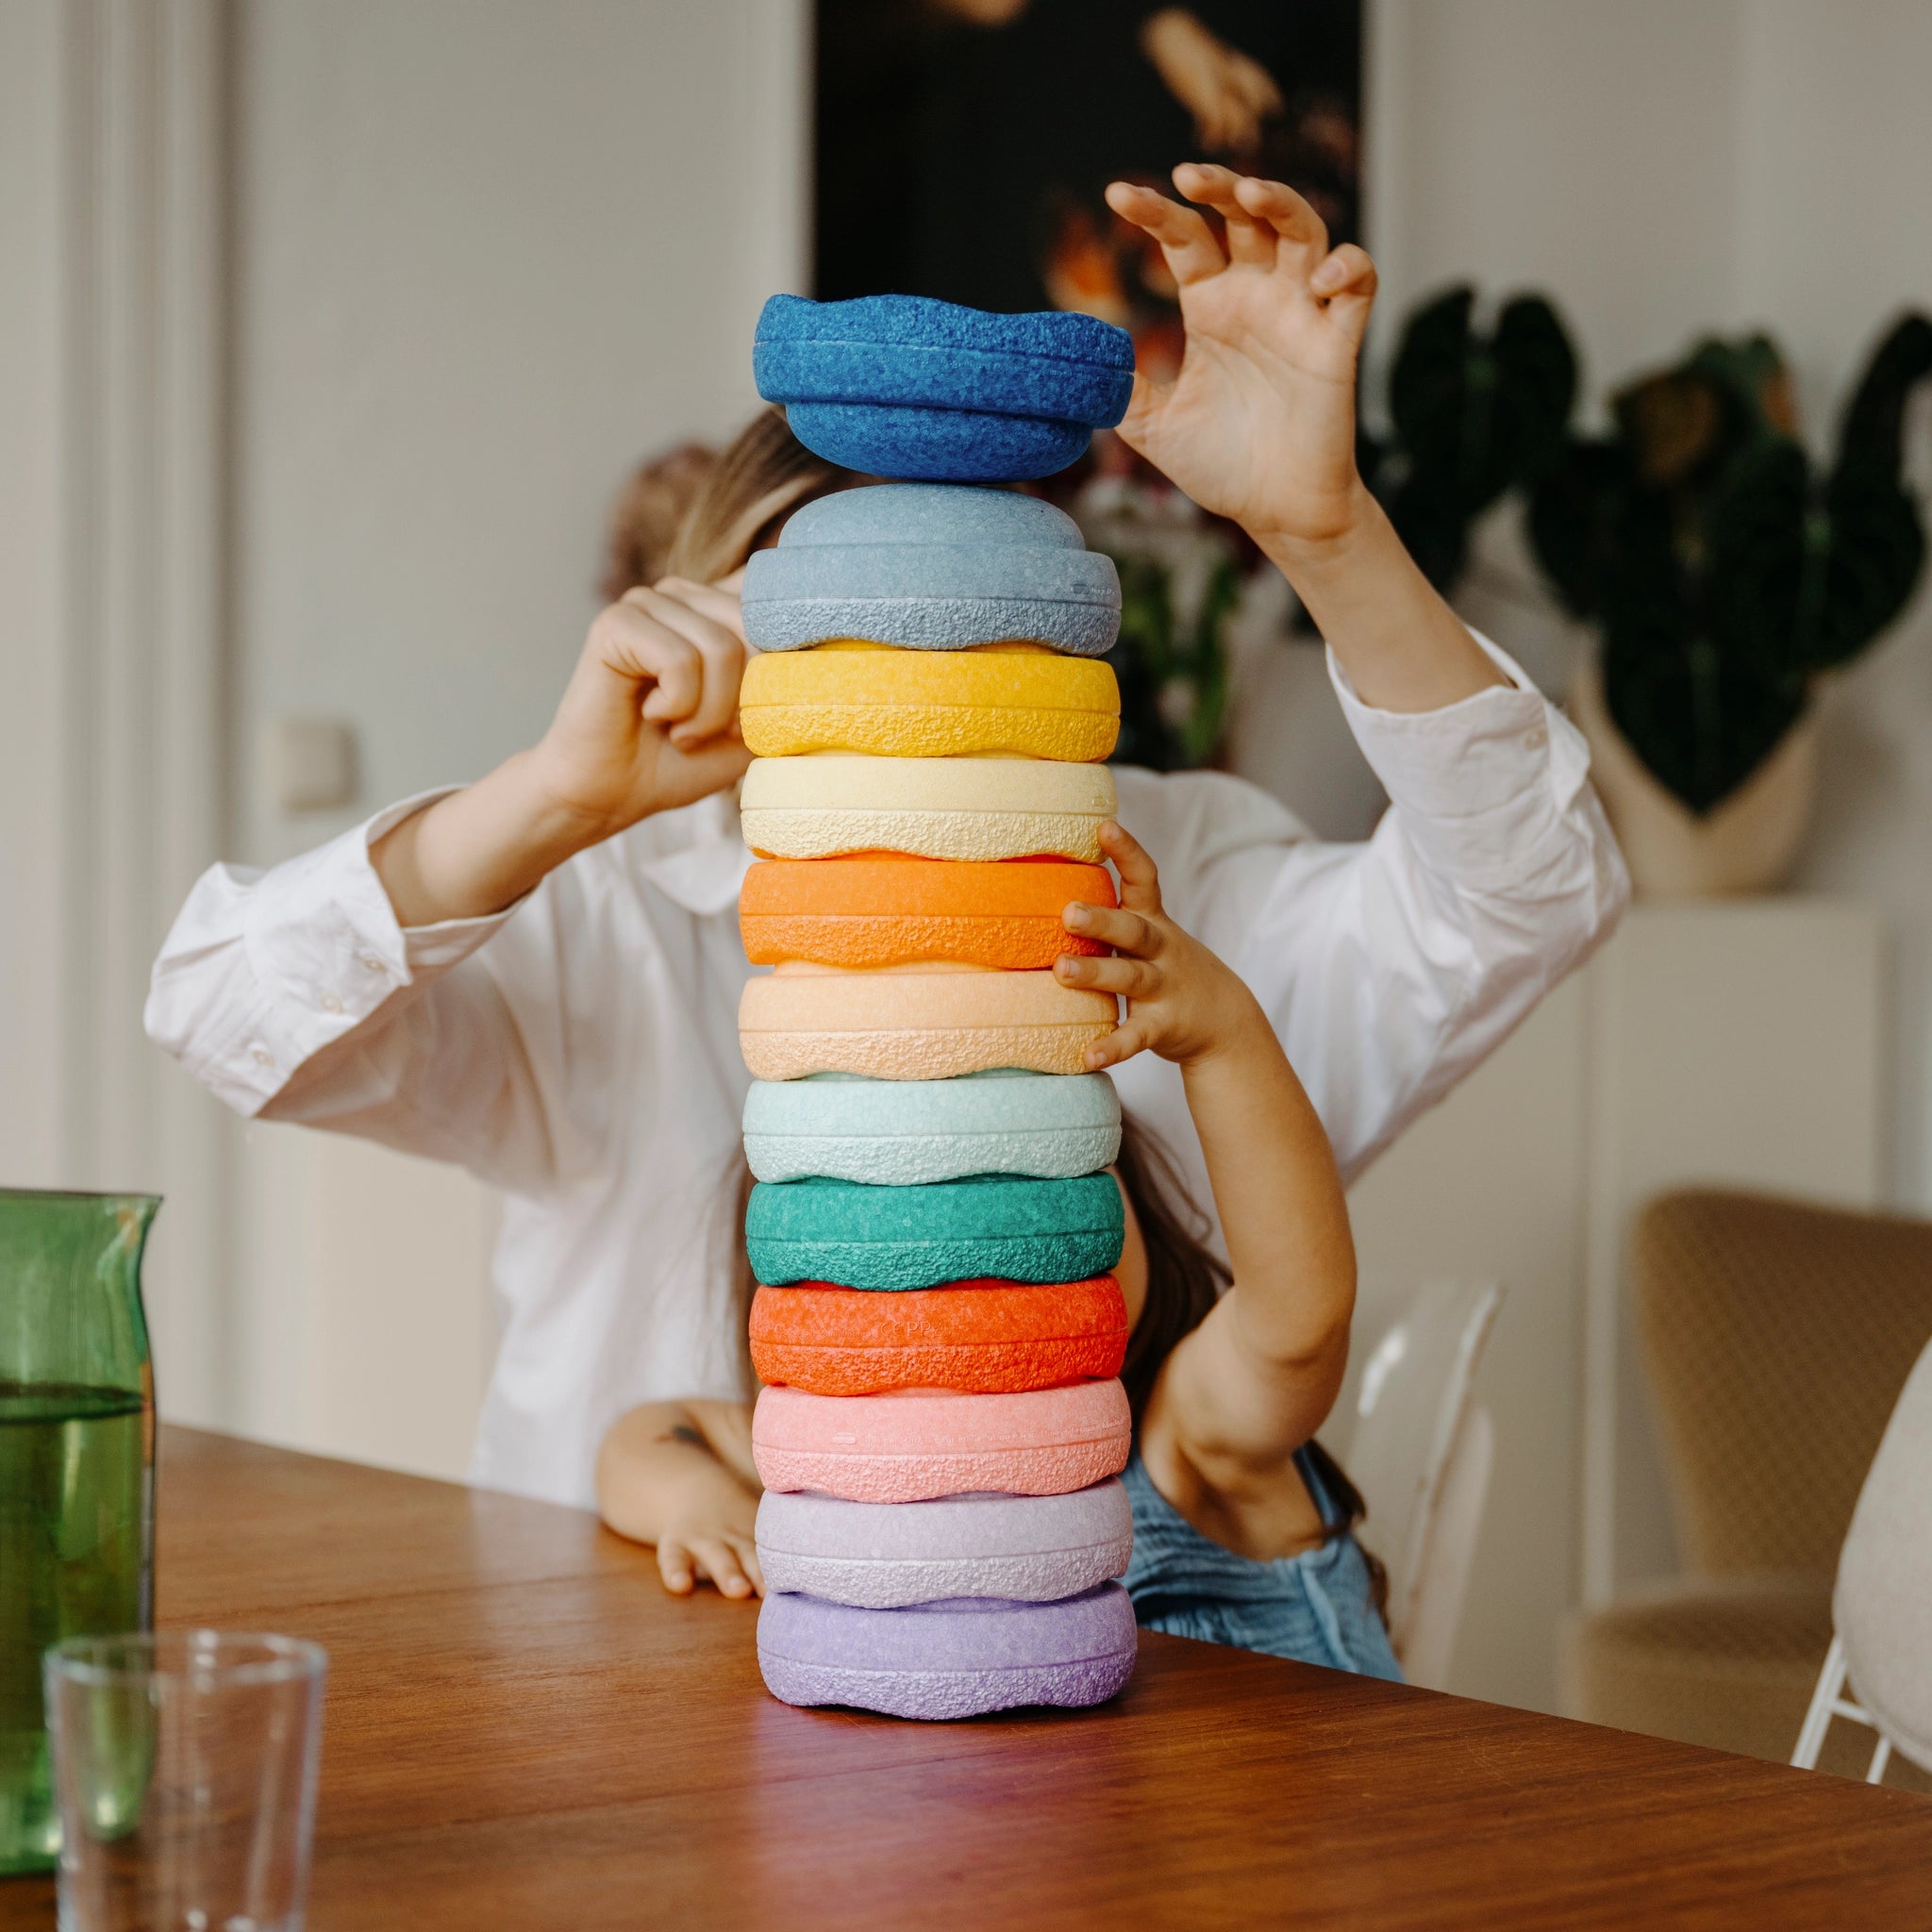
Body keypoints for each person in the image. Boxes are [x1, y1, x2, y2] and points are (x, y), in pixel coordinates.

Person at [146, 165, 1628, 1513]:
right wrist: (555, 799)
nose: (897, 686)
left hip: (1060, 1705)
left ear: (1039, 637)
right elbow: (215, 1010)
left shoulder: (1170, 897)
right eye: (838, 633)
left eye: (950, 632)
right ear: (718, 622)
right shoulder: (605, 907)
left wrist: (1324, 530)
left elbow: (1533, 893)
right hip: (620, 1690)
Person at [599, 819, 1399, 1679]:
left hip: (1297, 1803)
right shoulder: (859, 1445)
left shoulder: (1188, 1432)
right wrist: (698, 1501)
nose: (977, 1249)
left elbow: (1300, 1319)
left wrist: (1222, 1037)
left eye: (1027, 1185)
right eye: (902, 1230)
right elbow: (646, 1435)